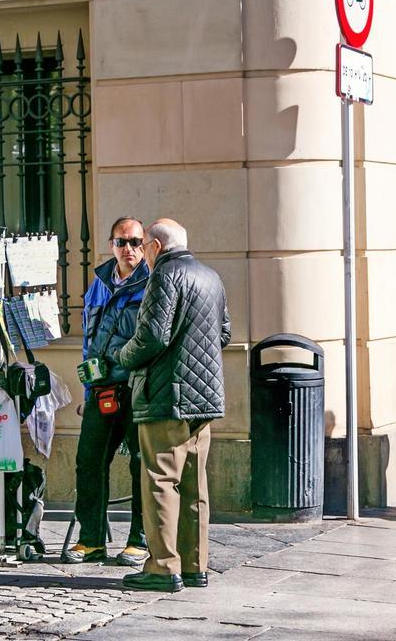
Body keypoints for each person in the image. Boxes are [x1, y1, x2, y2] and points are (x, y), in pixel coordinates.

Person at [115, 218, 231, 592]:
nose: (143, 253)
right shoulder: (210, 276)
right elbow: (223, 332)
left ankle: (164, 567)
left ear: (156, 247)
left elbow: (151, 337)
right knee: (195, 485)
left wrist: (122, 355)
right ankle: (196, 565)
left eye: (145, 245)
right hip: (204, 397)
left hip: (167, 396)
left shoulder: (164, 275)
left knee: (160, 481)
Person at [61, 217, 150, 566]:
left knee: (142, 466)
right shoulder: (98, 283)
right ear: (110, 244)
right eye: (121, 242)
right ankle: (91, 540)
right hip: (101, 389)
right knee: (89, 462)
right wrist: (87, 392)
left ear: (145, 245)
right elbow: (88, 342)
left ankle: (139, 540)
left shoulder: (152, 283)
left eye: (135, 242)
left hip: (137, 387)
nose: (128, 249)